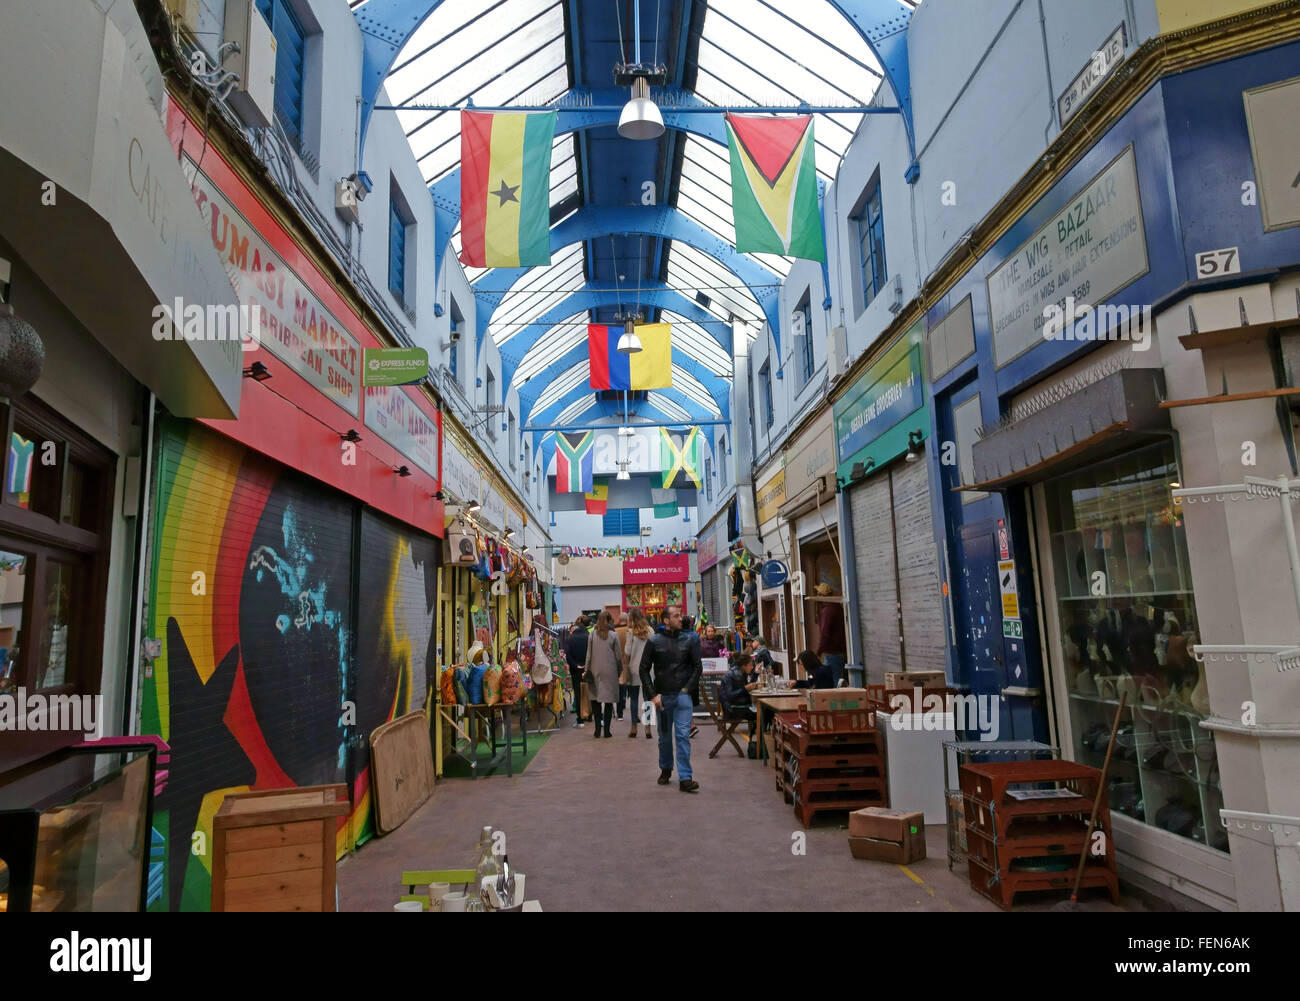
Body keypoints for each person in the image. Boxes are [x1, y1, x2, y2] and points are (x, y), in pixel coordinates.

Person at [639, 605, 703, 792]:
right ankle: (666, 768)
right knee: (664, 738)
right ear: (666, 620)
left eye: (680, 615)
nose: (680, 618)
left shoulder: (689, 640)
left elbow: (697, 667)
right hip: (662, 698)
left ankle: (685, 777)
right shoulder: (653, 642)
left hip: (682, 697)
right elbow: (643, 669)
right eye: (676, 616)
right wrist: (653, 695)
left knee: (683, 736)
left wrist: (686, 689)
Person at [584, 611, 621, 738]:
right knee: (609, 701)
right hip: (610, 671)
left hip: (595, 671)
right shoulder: (614, 635)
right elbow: (618, 657)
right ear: (610, 621)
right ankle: (607, 731)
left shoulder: (592, 635)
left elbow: (588, 655)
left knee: (595, 700)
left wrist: (586, 669)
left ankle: (597, 729)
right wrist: (620, 670)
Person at [621, 609, 653, 738]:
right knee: (647, 699)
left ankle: (634, 726)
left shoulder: (631, 632)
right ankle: (648, 727)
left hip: (634, 668)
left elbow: (627, 651)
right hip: (649, 669)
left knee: (633, 699)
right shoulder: (650, 631)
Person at [719, 651, 760, 741]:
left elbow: (747, 687)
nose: (752, 667)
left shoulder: (738, 672)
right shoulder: (737, 675)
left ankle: (758, 741)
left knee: (762, 712)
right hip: (733, 709)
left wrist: (756, 674)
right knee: (763, 714)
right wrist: (745, 689)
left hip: (731, 707)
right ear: (743, 666)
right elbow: (731, 695)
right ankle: (760, 743)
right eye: (750, 665)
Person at [565, 616, 590, 726]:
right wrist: (586, 665)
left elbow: (568, 655)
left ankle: (580, 719)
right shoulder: (588, 637)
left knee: (578, 693)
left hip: (576, 670)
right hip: (587, 669)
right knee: (589, 692)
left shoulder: (570, 639)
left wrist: (576, 665)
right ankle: (590, 715)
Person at [817, 600, 847, 682]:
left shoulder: (827, 611)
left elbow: (825, 633)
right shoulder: (838, 608)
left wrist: (819, 650)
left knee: (832, 682)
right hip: (840, 651)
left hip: (832, 652)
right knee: (837, 680)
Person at [615, 612, 630, 720]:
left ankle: (619, 713)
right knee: (631, 687)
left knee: (620, 687)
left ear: (619, 620)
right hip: (629, 662)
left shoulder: (615, 632)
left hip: (618, 663)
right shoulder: (631, 631)